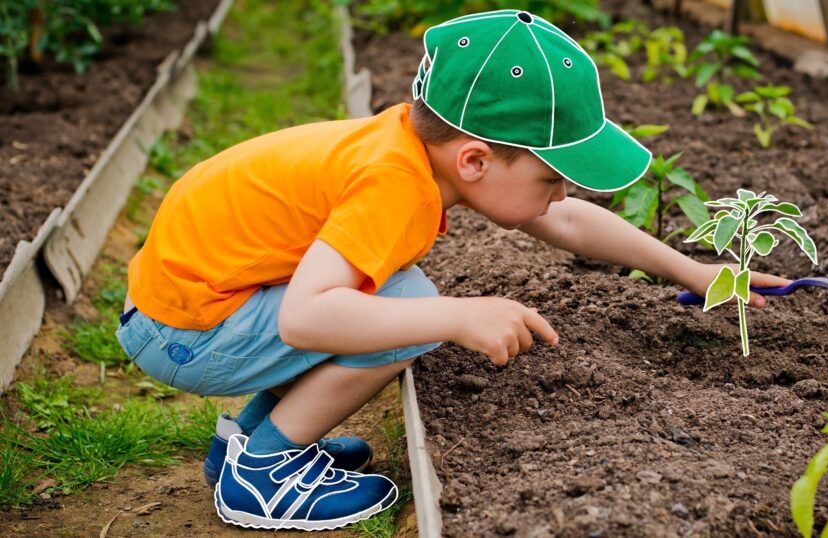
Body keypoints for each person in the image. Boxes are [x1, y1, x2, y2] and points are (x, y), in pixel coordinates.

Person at [115, 9, 789, 531]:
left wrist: (695, 272)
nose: (560, 196)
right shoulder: (394, 186)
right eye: (553, 178)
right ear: (474, 162)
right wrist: (459, 315)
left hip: (196, 303)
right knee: (408, 309)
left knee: (393, 297)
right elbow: (305, 315)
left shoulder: (419, 154)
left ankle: (248, 440)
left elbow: (570, 224)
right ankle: (261, 473)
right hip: (185, 329)